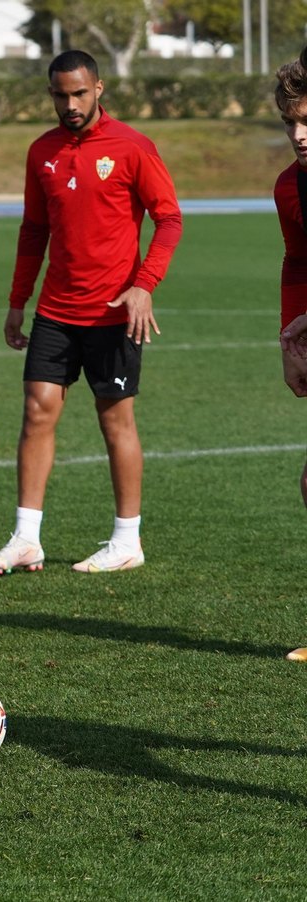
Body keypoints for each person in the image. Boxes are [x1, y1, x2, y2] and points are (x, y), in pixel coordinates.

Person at [0, 50, 182, 576]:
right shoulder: (41, 151)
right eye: (59, 95)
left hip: (115, 312)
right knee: (36, 411)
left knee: (115, 420)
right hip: (55, 308)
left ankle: (127, 540)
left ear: (99, 89)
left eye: (78, 93)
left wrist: (144, 285)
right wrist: (17, 301)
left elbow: (169, 219)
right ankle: (26, 539)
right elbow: (33, 230)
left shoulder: (133, 147)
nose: (69, 105)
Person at [271, 47, 307, 661]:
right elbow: (297, 262)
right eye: (290, 123)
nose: (299, 136)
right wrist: (290, 342)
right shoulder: (290, 185)